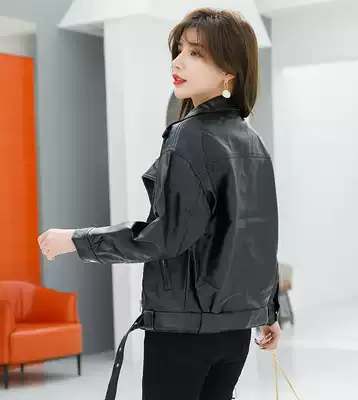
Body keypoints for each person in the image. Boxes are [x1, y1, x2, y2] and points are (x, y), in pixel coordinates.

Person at [38, 8, 280, 400]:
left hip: (184, 333)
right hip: (234, 333)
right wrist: (268, 310)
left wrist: (76, 240)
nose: (178, 62)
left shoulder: (189, 135)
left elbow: (163, 236)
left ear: (229, 72)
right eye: (179, 50)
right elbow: (260, 238)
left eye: (196, 53)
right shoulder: (252, 141)